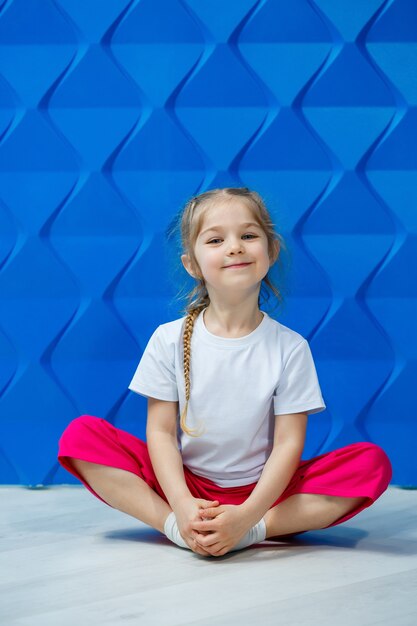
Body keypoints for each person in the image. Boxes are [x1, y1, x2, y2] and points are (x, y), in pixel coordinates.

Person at [58, 187, 392, 558]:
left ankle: (253, 531)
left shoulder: (290, 347)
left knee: (369, 463)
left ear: (271, 251)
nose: (234, 247)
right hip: (184, 484)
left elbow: (288, 445)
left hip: (264, 490)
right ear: (192, 264)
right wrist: (182, 506)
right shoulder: (168, 339)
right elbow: (161, 432)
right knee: (81, 436)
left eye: (248, 236)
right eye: (216, 239)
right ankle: (177, 527)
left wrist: (248, 517)